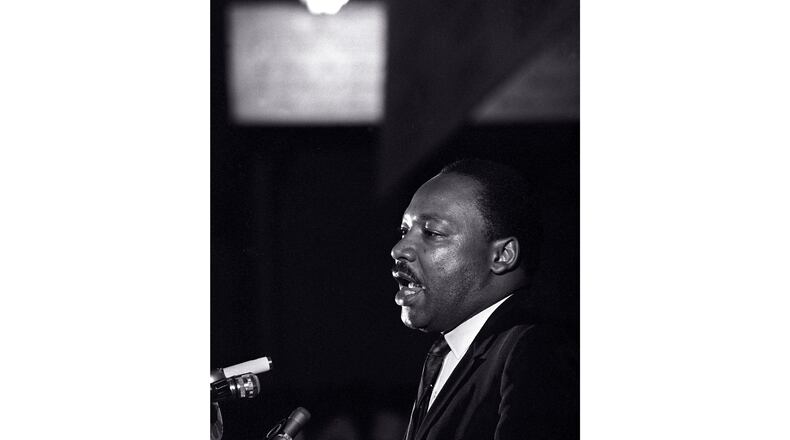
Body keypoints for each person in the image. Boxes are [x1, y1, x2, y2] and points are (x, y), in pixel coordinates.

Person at [390, 159, 578, 440]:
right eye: (405, 231)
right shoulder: (450, 353)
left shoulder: (536, 350)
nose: (399, 249)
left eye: (431, 233)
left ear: (502, 256)